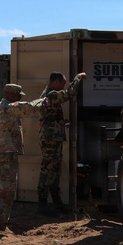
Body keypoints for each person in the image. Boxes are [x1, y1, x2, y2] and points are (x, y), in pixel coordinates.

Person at [0, 83, 38, 230]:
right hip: (7, 154)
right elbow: (30, 107)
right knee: (7, 188)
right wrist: (45, 99)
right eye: (18, 95)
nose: (20, 98)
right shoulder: (10, 107)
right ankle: (1, 222)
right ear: (12, 95)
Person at [35, 71, 87, 216]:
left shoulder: (49, 95)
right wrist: (78, 78)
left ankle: (57, 204)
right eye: (62, 84)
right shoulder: (51, 95)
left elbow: (50, 116)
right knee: (47, 171)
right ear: (56, 82)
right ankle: (42, 205)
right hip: (50, 139)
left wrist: (62, 122)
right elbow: (71, 93)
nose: (63, 87)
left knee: (55, 171)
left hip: (53, 138)